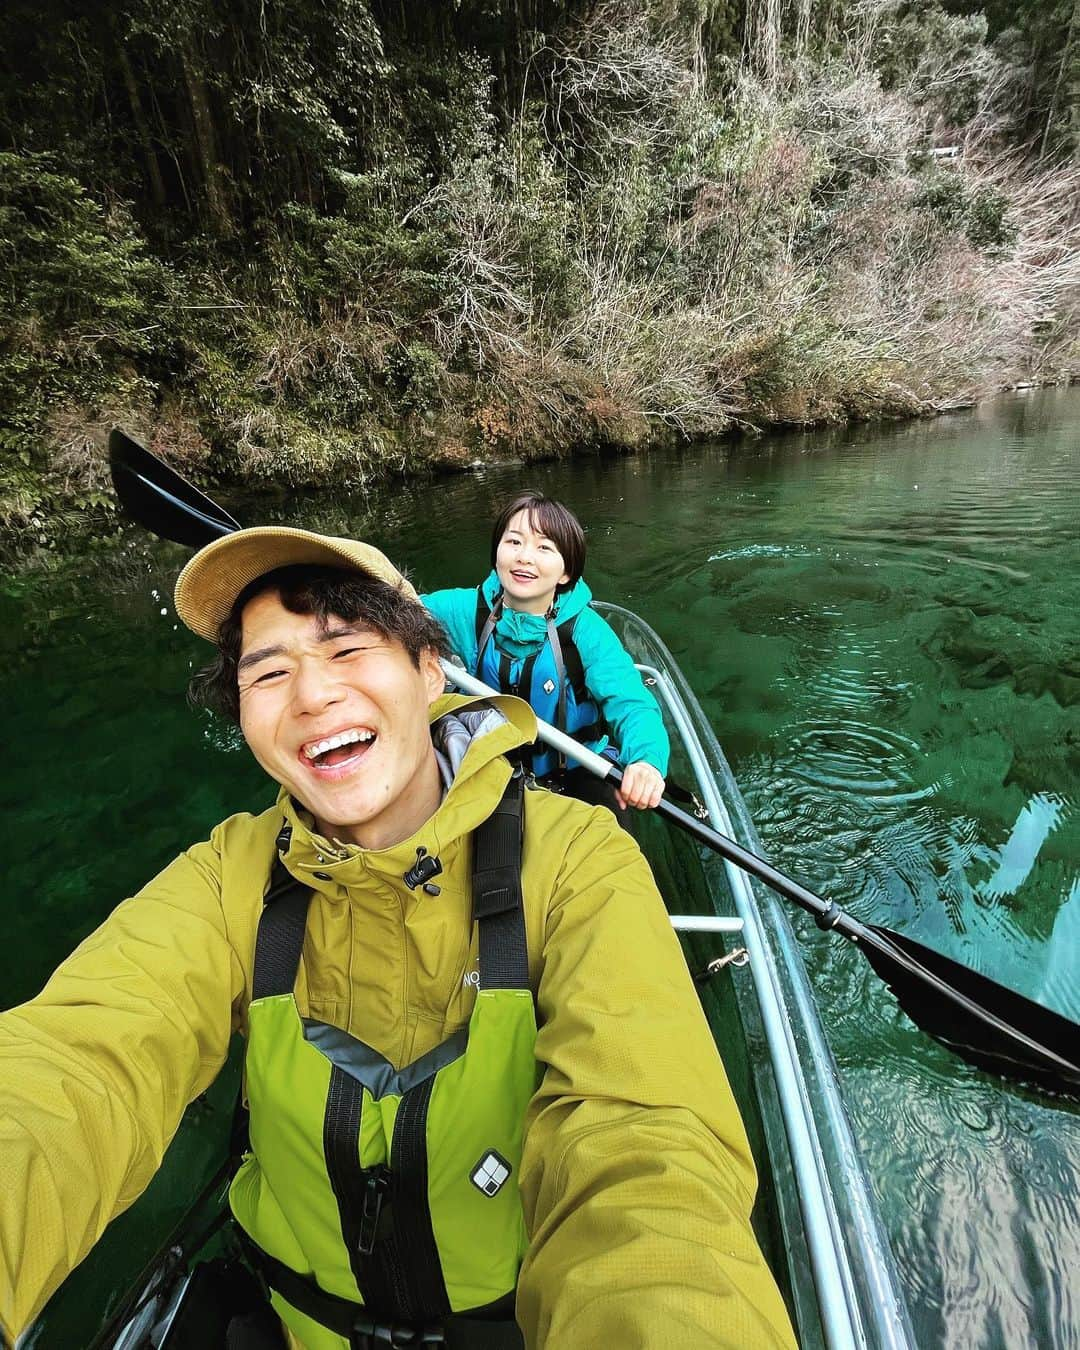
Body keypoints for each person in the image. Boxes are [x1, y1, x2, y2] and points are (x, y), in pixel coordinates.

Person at [0, 526, 796, 1350]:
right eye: (268, 671)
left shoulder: (579, 863)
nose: (310, 697)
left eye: (348, 649)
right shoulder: (228, 875)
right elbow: (76, 1062)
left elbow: (648, 1154)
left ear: (428, 672)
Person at [421, 491, 668, 821]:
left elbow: (631, 702)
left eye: (544, 548)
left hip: (577, 770)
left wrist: (646, 760)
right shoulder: (466, 610)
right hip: (490, 766)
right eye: (514, 542)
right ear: (497, 552)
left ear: (566, 572)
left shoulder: (587, 633)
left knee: (608, 837)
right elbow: (400, 608)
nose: (524, 557)